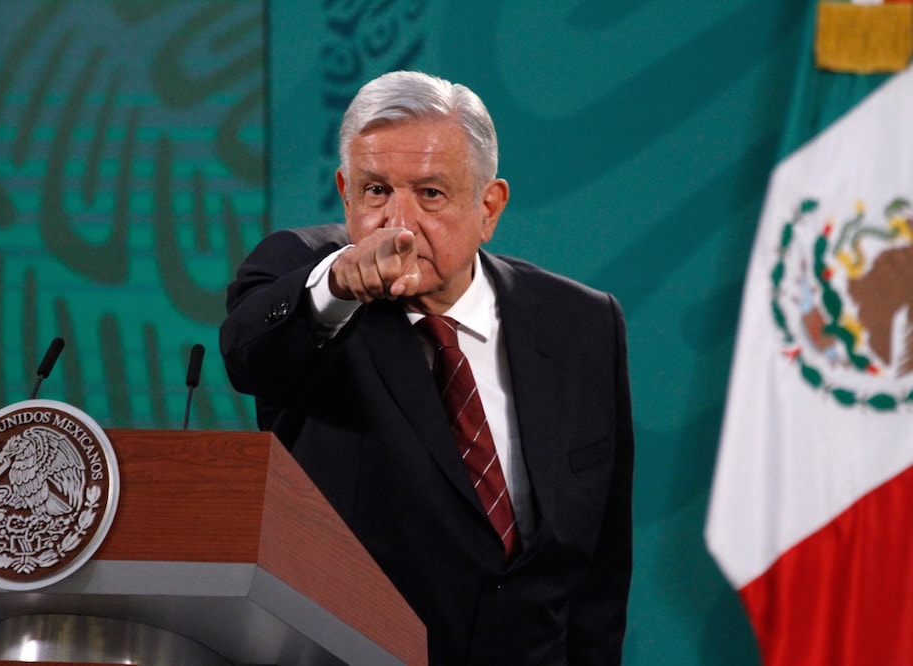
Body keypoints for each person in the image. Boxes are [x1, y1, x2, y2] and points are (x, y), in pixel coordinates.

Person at [220, 70, 634, 664]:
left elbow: (599, 574)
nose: (399, 224)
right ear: (345, 192)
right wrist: (338, 283)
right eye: (376, 191)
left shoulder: (582, 325)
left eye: (431, 194)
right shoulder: (311, 281)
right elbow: (249, 353)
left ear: (488, 207)